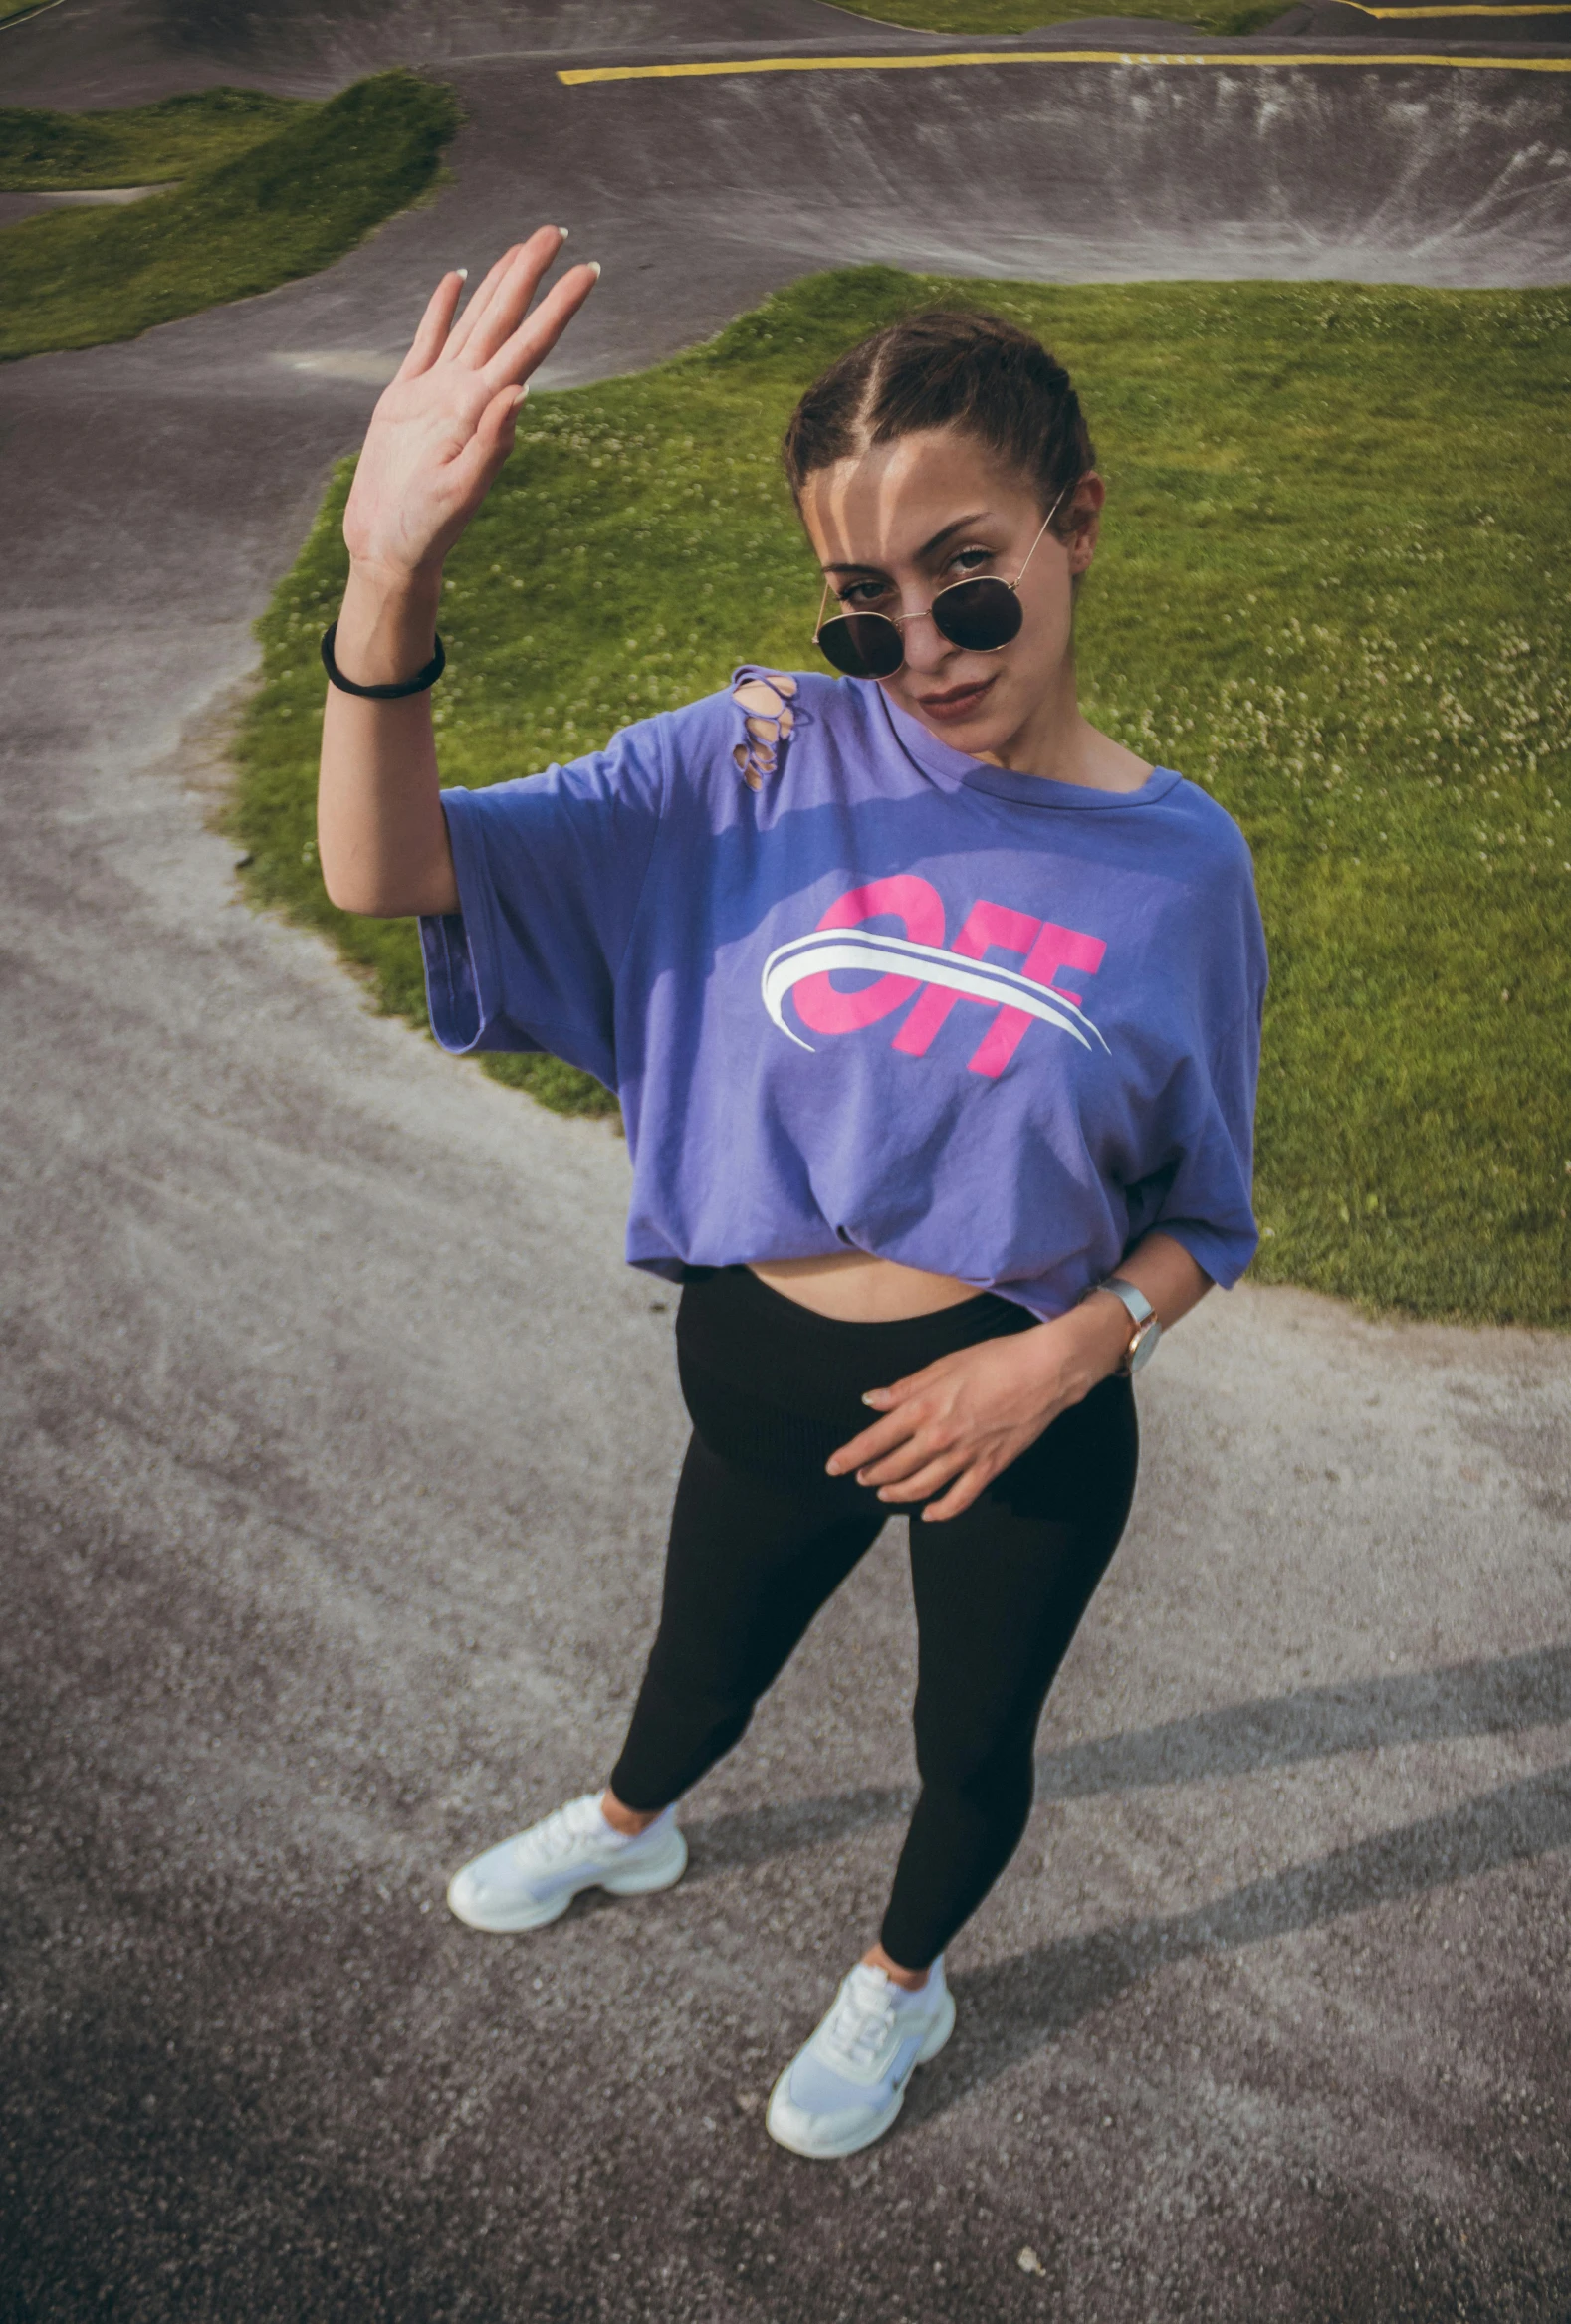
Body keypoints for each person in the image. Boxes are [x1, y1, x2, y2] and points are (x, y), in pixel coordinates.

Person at [316, 228, 1266, 2162]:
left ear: (1076, 521)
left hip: (1011, 1414)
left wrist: (1058, 1362)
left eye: (966, 583)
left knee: (966, 1744)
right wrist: (388, 575)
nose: (919, 654)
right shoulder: (739, 767)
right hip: (751, 1368)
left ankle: (903, 1986)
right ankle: (630, 1821)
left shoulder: (1186, 873)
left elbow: (1211, 1219)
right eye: (861, 609)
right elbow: (382, 866)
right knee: (696, 1660)